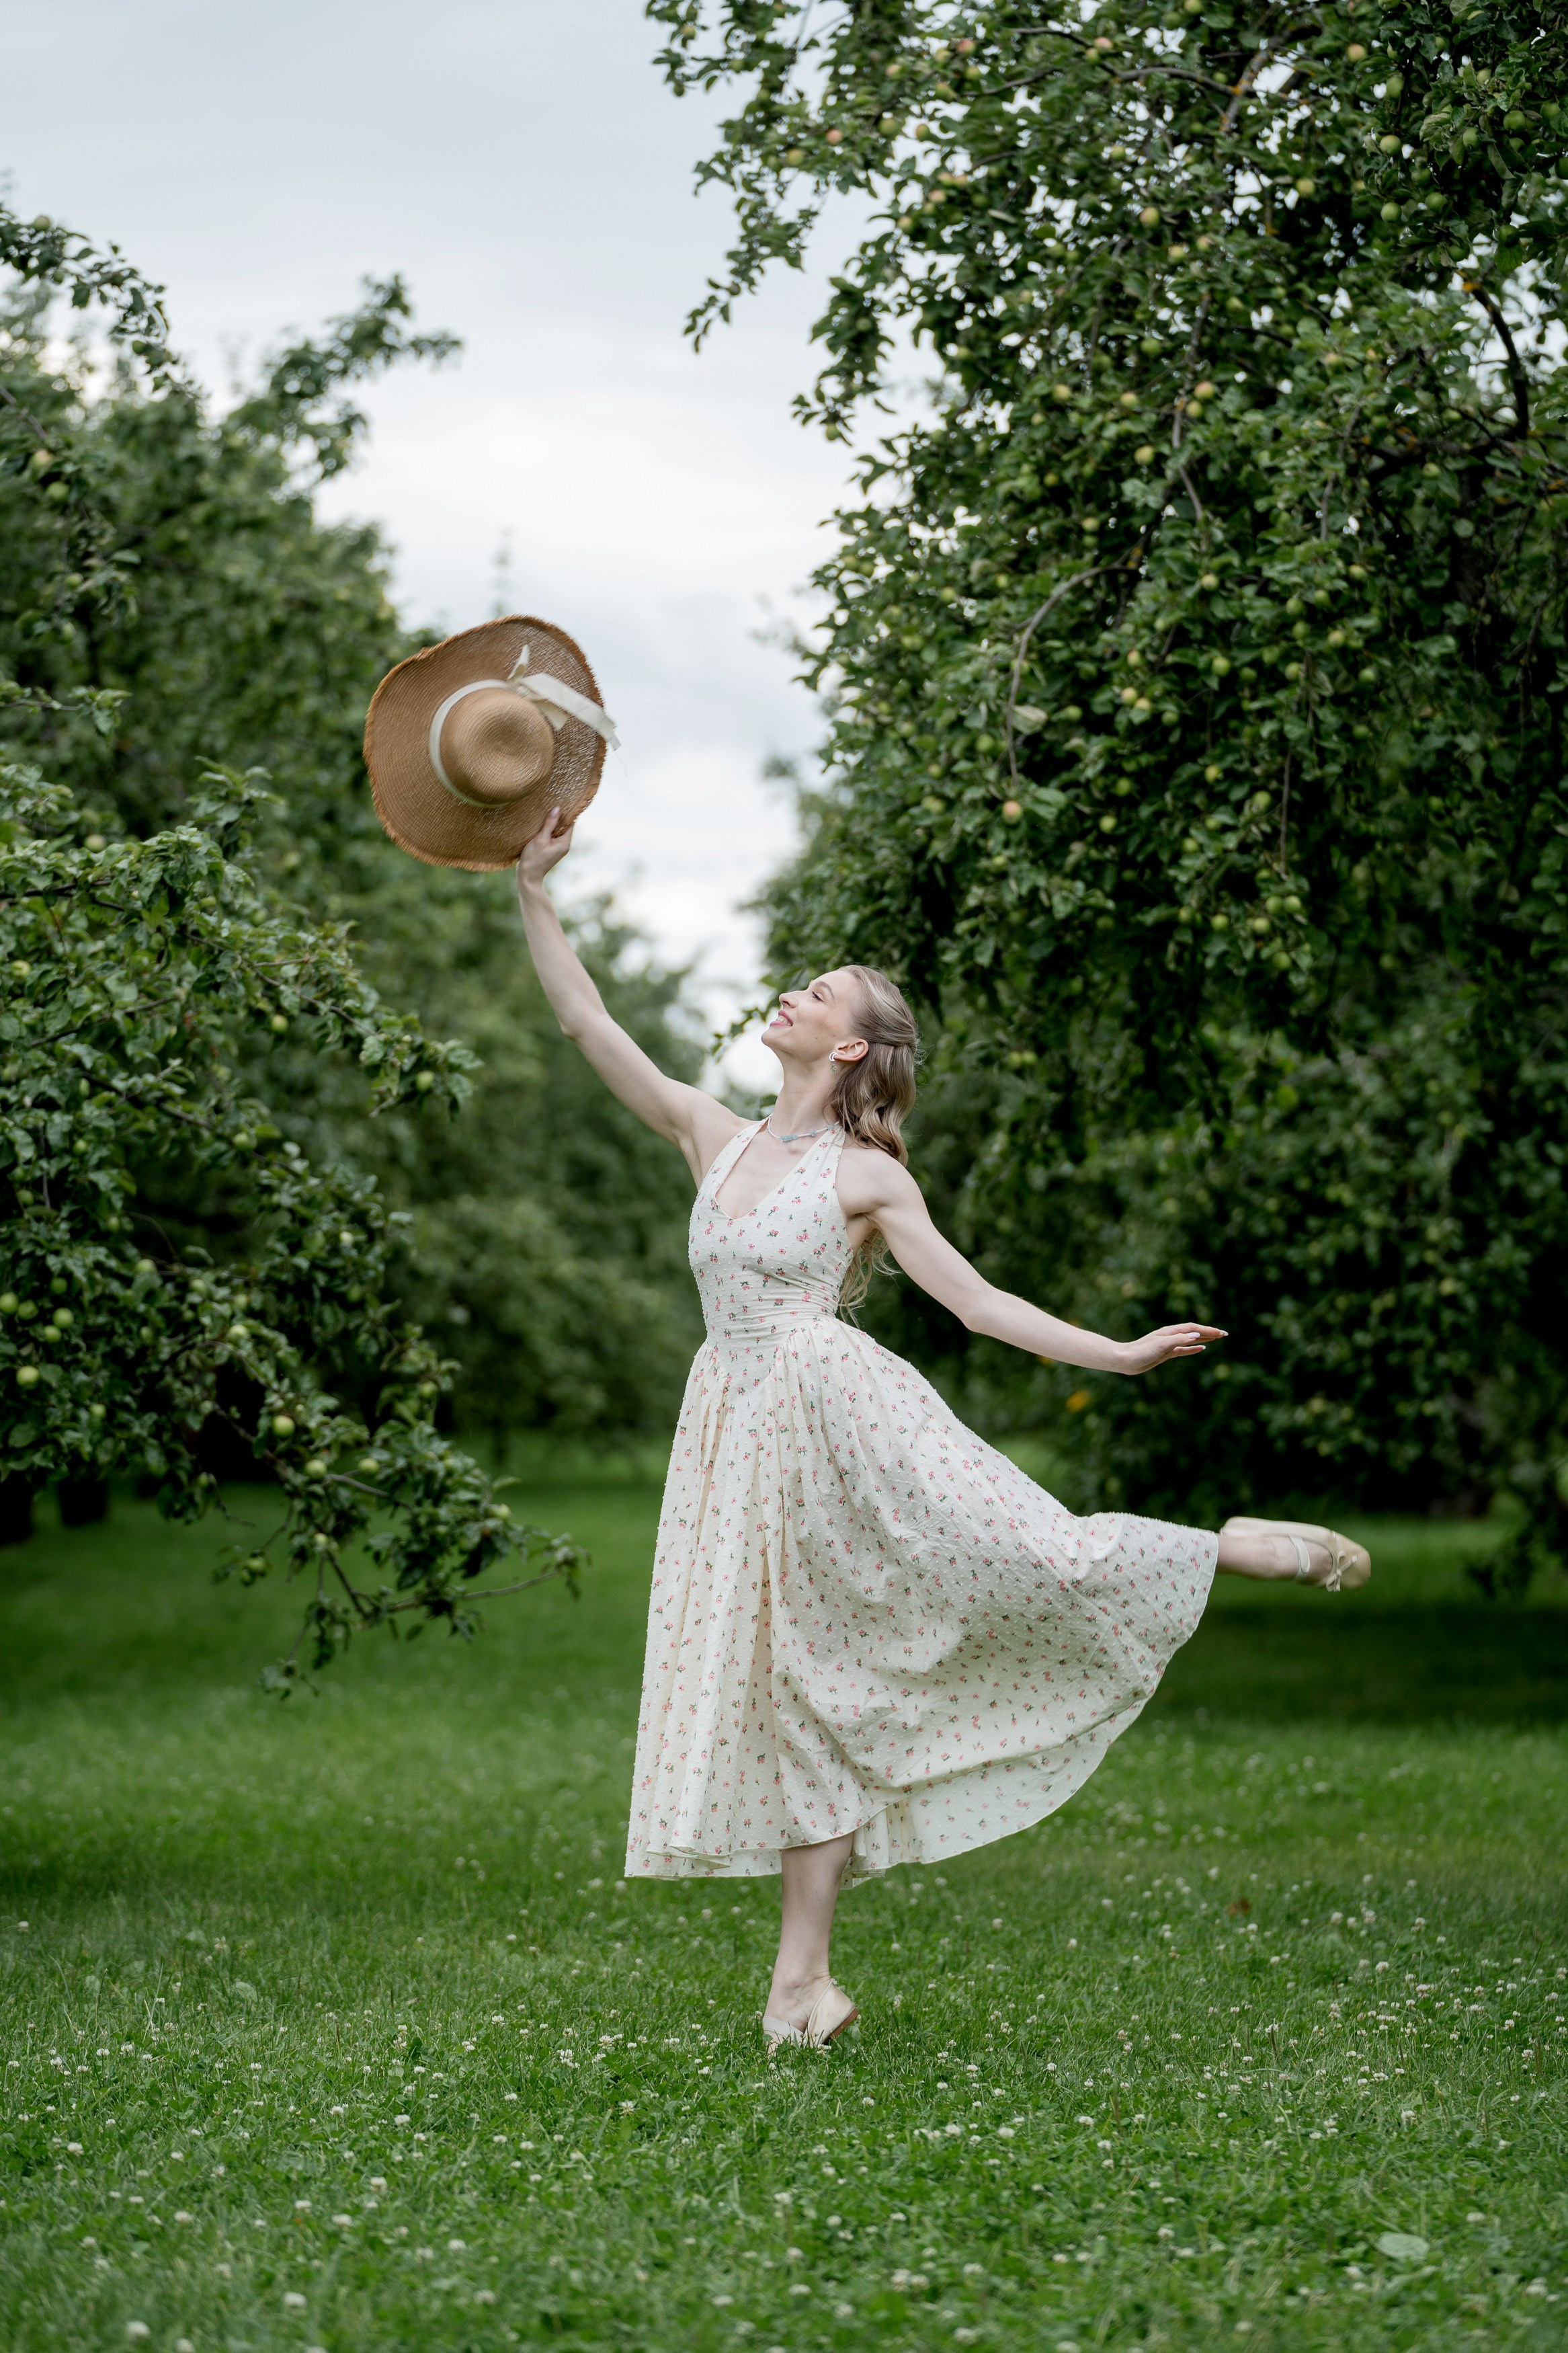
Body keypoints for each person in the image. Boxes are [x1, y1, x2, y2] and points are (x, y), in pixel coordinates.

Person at [515, 811, 1370, 2052]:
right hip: (734, 1433)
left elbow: (975, 1304)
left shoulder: (866, 1174)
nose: (792, 994)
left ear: (849, 1042)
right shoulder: (714, 1134)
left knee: (1029, 1557)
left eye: (819, 992)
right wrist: (536, 893)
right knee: (794, 1685)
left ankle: (1229, 1549)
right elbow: (588, 1027)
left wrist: (1119, 1351)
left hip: (835, 1417)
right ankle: (799, 1987)